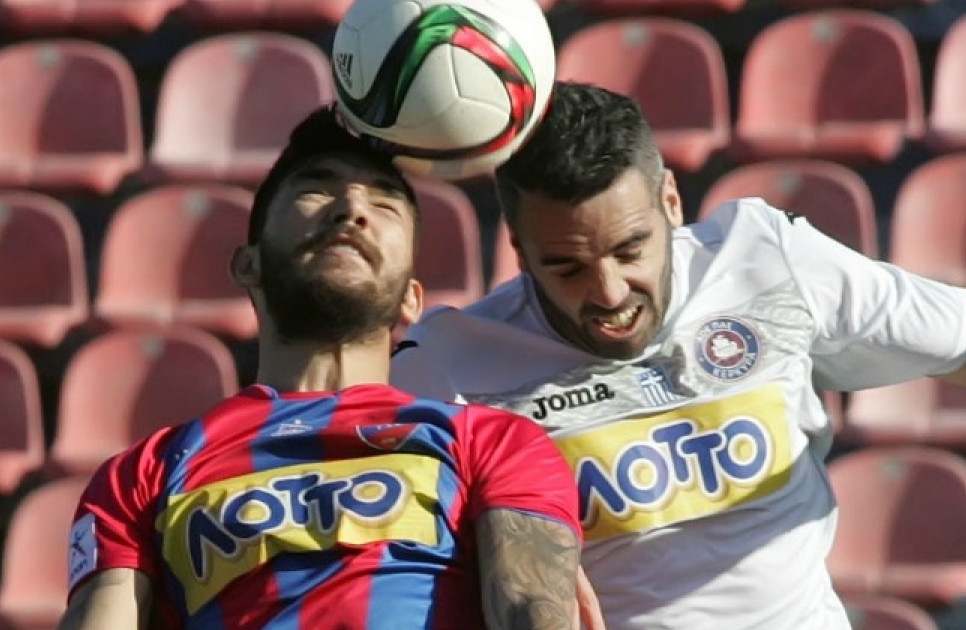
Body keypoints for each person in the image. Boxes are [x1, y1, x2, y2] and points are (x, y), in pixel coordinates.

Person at [390, 81, 966, 630]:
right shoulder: (450, 365)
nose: (608, 292)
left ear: (671, 202)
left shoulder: (767, 260)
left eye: (630, 249)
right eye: (567, 267)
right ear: (518, 251)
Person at [58, 104, 587, 630]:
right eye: (316, 188)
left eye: (384, 202)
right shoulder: (143, 474)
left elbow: (528, 605)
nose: (352, 208)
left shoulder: (491, 443)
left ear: (412, 298)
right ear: (249, 263)